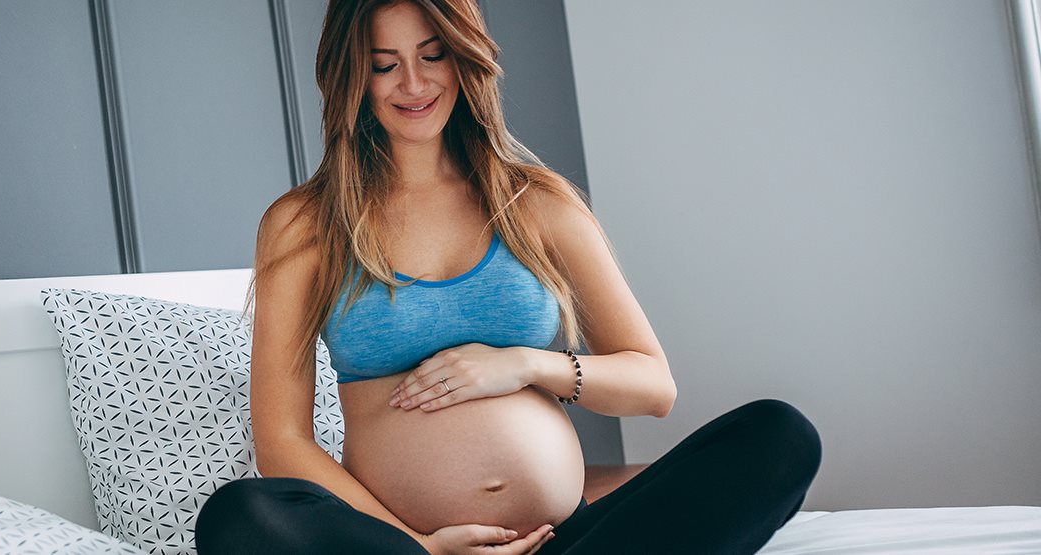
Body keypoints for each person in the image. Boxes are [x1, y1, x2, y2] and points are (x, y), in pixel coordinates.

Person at [195, 1, 822, 553]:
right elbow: (281, 441)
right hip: (406, 548)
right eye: (384, 64)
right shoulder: (305, 225)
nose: (413, 83)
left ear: (463, 57)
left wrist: (526, 365)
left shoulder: (536, 203)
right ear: (351, 75)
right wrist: (419, 547)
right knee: (239, 514)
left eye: (432, 55)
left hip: (565, 539)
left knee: (779, 436)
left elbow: (652, 386)